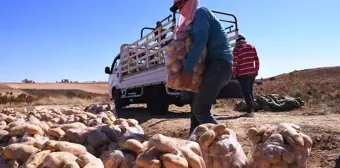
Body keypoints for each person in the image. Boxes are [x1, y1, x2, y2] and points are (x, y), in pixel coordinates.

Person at [170, 0, 234, 135]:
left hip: (219, 64)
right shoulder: (192, 22)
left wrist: (187, 70)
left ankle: (227, 143)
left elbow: (199, 43)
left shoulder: (200, 13)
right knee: (195, 110)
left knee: (200, 110)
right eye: (178, 8)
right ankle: (193, 144)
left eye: (181, 5)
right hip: (211, 66)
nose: (180, 10)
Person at [232, 34, 260, 117]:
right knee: (250, 91)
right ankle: (252, 110)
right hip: (252, 73)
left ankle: (249, 112)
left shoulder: (237, 49)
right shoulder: (252, 47)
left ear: (237, 41)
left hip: (242, 73)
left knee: (245, 92)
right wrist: (256, 70)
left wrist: (234, 73)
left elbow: (234, 62)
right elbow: (256, 59)